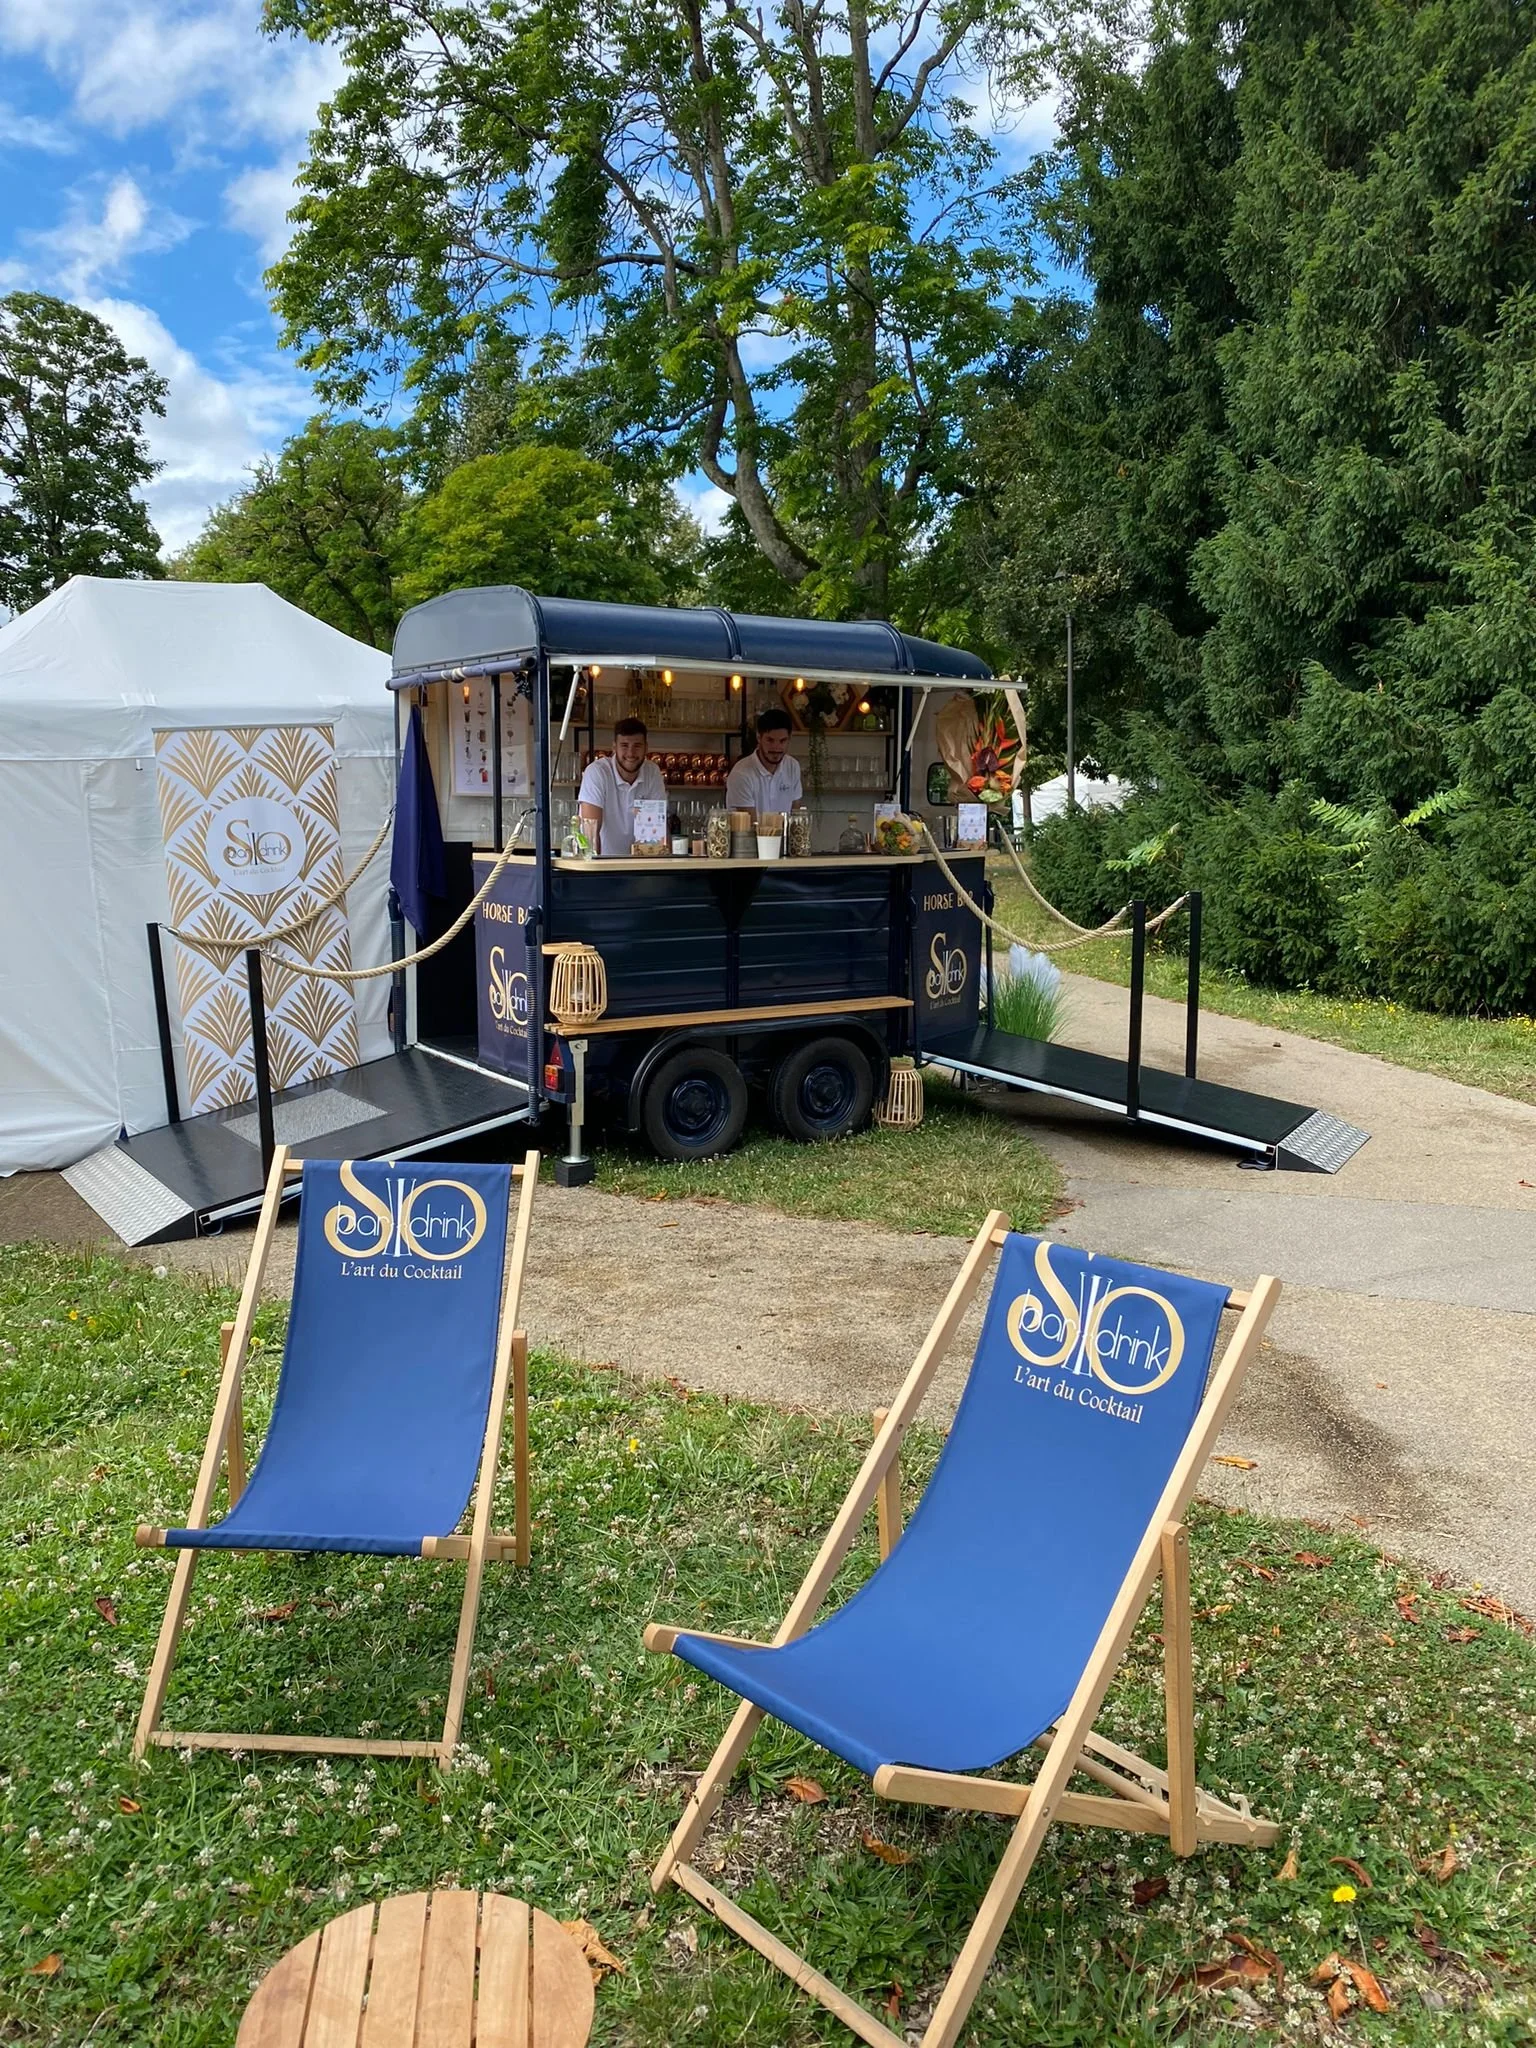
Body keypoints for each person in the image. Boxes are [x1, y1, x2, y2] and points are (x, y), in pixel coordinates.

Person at [578, 717, 666, 857]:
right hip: (604, 865)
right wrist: (595, 872)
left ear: (646, 748)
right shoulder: (597, 772)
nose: (631, 753)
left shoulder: (652, 772)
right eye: (624, 745)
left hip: (639, 867)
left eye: (637, 746)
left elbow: (656, 834)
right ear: (614, 748)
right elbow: (590, 833)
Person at [725, 706, 802, 816]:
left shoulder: (792, 766)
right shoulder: (741, 773)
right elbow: (749, 826)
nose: (776, 747)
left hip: (784, 833)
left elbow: (796, 815)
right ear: (758, 737)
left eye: (782, 741)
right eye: (770, 740)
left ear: (789, 738)